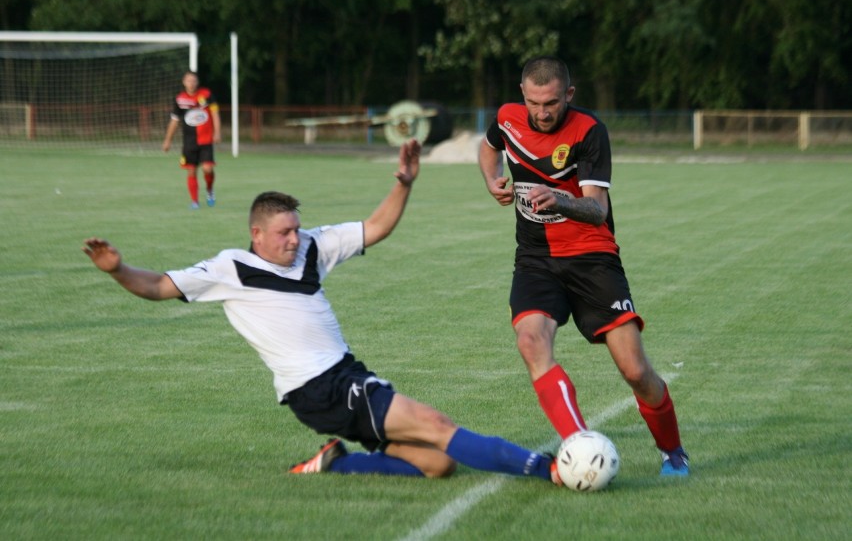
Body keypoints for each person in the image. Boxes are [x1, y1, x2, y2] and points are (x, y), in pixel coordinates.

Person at [83, 139, 562, 484]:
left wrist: (404, 184)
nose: (294, 238)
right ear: (257, 235)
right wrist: (118, 268)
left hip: (345, 377)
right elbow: (156, 285)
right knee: (437, 425)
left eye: (296, 228)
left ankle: (336, 462)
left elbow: (376, 227)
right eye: (283, 233)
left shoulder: (312, 246)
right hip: (318, 387)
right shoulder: (231, 267)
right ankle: (548, 469)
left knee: (439, 464)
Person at [478, 56, 690, 476]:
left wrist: (557, 198)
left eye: (552, 102)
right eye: (535, 103)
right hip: (535, 259)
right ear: (523, 94)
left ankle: (673, 450)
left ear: (569, 95)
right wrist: (491, 179)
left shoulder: (589, 132)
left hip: (593, 257)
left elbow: (596, 208)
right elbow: (489, 146)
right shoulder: (507, 118)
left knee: (635, 370)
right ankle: (578, 448)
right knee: (531, 342)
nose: (542, 112)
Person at [162, 70, 221, 210]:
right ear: (184, 82)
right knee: (191, 170)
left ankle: (210, 190)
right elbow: (174, 121)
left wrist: (217, 132)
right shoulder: (180, 99)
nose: (191, 83)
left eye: (194, 80)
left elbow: (215, 114)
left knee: (207, 168)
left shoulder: (206, 95)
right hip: (189, 142)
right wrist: (167, 140)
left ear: (197, 82)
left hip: (206, 140)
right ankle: (194, 201)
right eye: (188, 80)